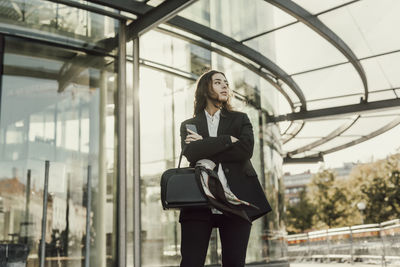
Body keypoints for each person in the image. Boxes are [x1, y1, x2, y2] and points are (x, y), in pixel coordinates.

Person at [179, 70, 271, 267]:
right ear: (205, 88)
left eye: (226, 83)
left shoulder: (240, 119)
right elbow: (191, 153)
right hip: (198, 203)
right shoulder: (189, 124)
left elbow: (245, 151)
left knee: (234, 263)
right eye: (218, 82)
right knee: (190, 263)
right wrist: (227, 140)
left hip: (235, 201)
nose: (225, 86)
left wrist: (205, 143)